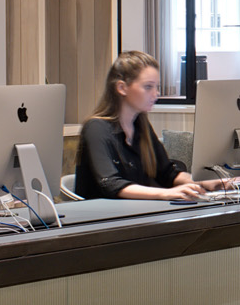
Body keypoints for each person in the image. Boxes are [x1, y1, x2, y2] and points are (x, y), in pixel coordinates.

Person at [79, 50, 208, 201]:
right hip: (104, 219)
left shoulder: (141, 125)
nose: (156, 93)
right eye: (148, 87)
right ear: (122, 88)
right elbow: (110, 183)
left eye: (157, 87)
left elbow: (167, 174)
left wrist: (204, 184)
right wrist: (165, 194)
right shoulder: (96, 128)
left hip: (137, 214)